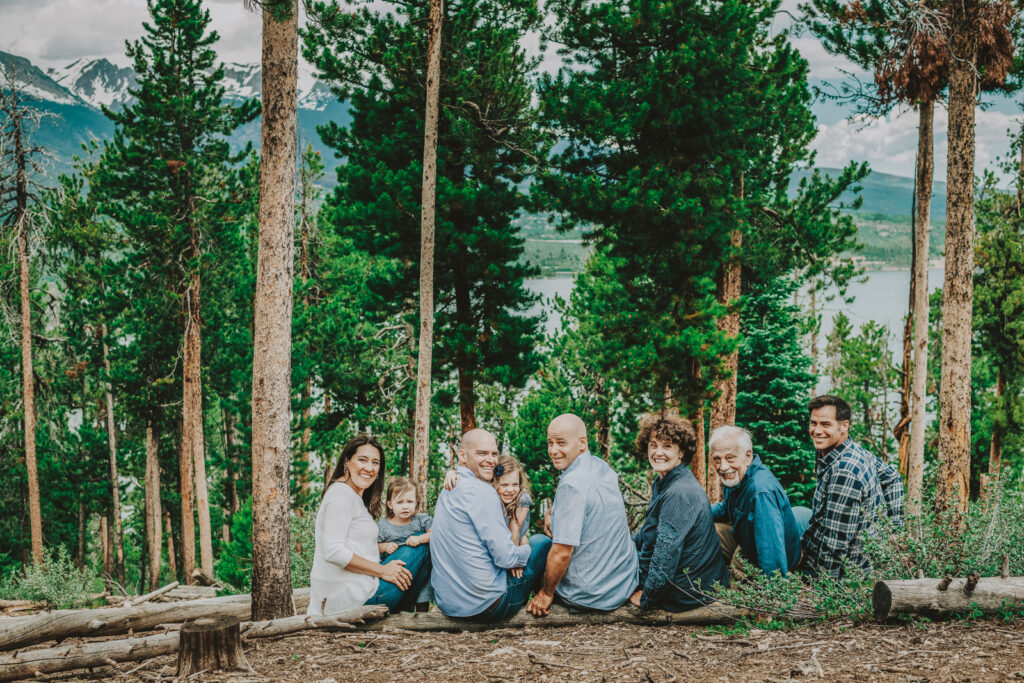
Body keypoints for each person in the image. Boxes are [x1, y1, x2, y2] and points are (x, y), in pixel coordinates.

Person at [431, 429, 552, 622]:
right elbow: (506, 559)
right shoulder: (484, 493)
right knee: (542, 542)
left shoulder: (449, 488)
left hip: (449, 605)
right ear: (462, 455)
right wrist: (525, 550)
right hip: (487, 606)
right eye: (482, 453)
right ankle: (543, 600)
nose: (490, 459)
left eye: (494, 454)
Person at [527, 414, 638, 616]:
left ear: (582, 443)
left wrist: (546, 593)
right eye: (550, 443)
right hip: (622, 584)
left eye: (561, 443)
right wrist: (555, 514)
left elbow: (561, 553)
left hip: (590, 594)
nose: (553, 450)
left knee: (537, 543)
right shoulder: (601, 467)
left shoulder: (571, 484)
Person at [307, 436, 431, 616]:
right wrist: (382, 570)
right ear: (347, 461)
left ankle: (402, 611)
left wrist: (386, 565)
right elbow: (333, 552)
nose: (369, 468)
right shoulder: (340, 495)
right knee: (423, 546)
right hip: (354, 600)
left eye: (375, 462)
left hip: (358, 591)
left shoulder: (349, 494)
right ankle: (406, 611)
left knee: (416, 542)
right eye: (362, 460)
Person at [628, 412, 728, 611]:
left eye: (667, 446)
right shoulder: (665, 481)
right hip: (688, 582)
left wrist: (648, 599)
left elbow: (666, 554)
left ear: (681, 452)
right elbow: (648, 534)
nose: (658, 452)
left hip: (686, 591)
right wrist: (623, 543)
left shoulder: (679, 493)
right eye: (653, 445)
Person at [801, 395, 893, 578]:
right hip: (824, 539)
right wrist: (894, 531)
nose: (817, 431)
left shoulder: (845, 471)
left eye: (825, 424)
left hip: (848, 573)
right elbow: (892, 477)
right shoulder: (848, 448)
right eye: (813, 423)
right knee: (796, 513)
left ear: (844, 426)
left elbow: (835, 545)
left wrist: (823, 589)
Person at [708, 426, 807, 577]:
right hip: (747, 538)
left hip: (775, 553)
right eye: (717, 459)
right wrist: (696, 514)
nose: (723, 467)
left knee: (738, 564)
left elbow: (771, 550)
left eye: (730, 458)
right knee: (712, 531)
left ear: (748, 456)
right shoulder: (734, 477)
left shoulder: (760, 492)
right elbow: (726, 507)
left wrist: (773, 589)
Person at [443, 454, 533, 543]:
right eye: (504, 485)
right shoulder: (488, 494)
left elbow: (514, 534)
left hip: (513, 543)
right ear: (493, 483)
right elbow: (471, 479)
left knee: (525, 541)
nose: (510, 490)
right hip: (495, 543)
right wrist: (452, 473)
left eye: (515, 484)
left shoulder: (522, 498)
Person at [377, 477, 433, 611]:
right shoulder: (383, 525)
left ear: (416, 502)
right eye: (400, 502)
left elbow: (436, 533)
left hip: (419, 571)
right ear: (390, 504)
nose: (405, 506)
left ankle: (422, 616)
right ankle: (401, 609)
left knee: (423, 589)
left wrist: (420, 539)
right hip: (394, 571)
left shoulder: (421, 520)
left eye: (409, 501)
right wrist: (384, 547)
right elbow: (372, 546)